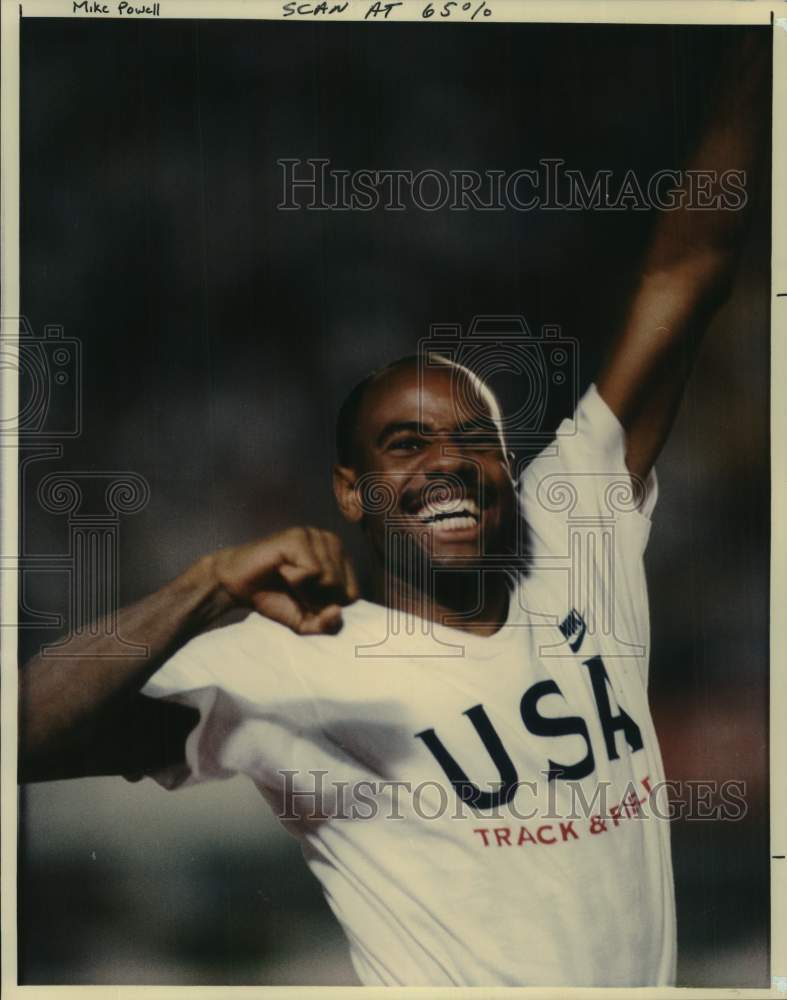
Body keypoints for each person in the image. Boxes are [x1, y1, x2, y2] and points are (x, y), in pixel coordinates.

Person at [18, 35, 768, 987]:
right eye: (406, 445)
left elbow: (687, 268)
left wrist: (763, 33)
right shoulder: (282, 663)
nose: (447, 461)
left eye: (473, 439)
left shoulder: (576, 535)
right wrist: (204, 588)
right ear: (350, 494)